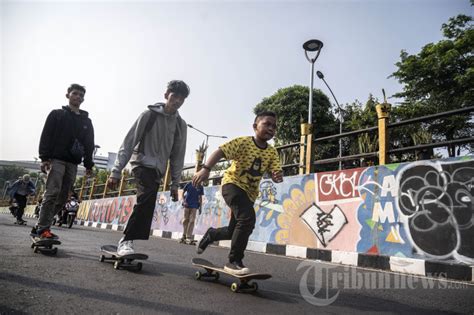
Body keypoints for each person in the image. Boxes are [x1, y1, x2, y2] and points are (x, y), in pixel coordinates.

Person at [192, 111, 283, 275]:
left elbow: (275, 171)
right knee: (247, 218)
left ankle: (212, 234)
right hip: (231, 184)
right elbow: (220, 151)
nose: (271, 128)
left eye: (274, 127)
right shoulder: (243, 142)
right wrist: (205, 169)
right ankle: (234, 261)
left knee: (236, 229)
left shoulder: (272, 152)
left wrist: (277, 176)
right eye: (267, 124)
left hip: (249, 193)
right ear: (255, 126)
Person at [107, 80, 190, 256]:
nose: (177, 101)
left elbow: (178, 155)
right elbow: (129, 142)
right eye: (174, 96)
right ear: (166, 95)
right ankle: (126, 240)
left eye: (181, 99)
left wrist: (175, 184)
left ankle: (128, 238)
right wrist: (116, 171)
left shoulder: (180, 125)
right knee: (146, 198)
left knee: (147, 201)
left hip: (158, 170)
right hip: (141, 164)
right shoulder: (149, 114)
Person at [31, 83, 95, 240]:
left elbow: (89, 144)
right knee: (52, 192)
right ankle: (43, 228)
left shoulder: (86, 121)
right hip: (56, 160)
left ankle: (41, 225)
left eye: (81, 95)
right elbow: (46, 135)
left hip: (73, 163)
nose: (78, 97)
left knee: (62, 198)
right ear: (68, 95)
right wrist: (44, 158)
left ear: (83, 99)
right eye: (75, 94)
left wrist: (88, 165)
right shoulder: (57, 114)